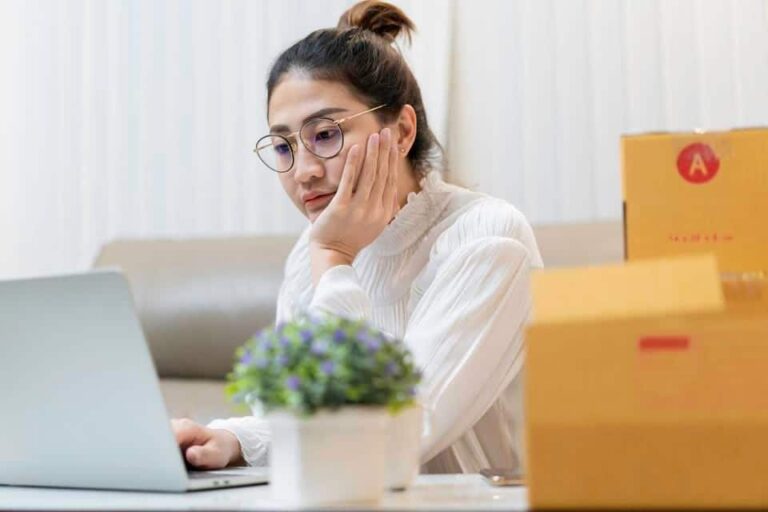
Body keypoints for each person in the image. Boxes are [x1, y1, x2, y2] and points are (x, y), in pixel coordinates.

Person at [172, 0, 543, 475]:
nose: (303, 172)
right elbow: (298, 419)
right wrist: (229, 438)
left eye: (325, 135)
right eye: (283, 146)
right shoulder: (313, 251)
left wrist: (334, 258)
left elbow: (383, 445)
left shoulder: (488, 239)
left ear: (402, 130)